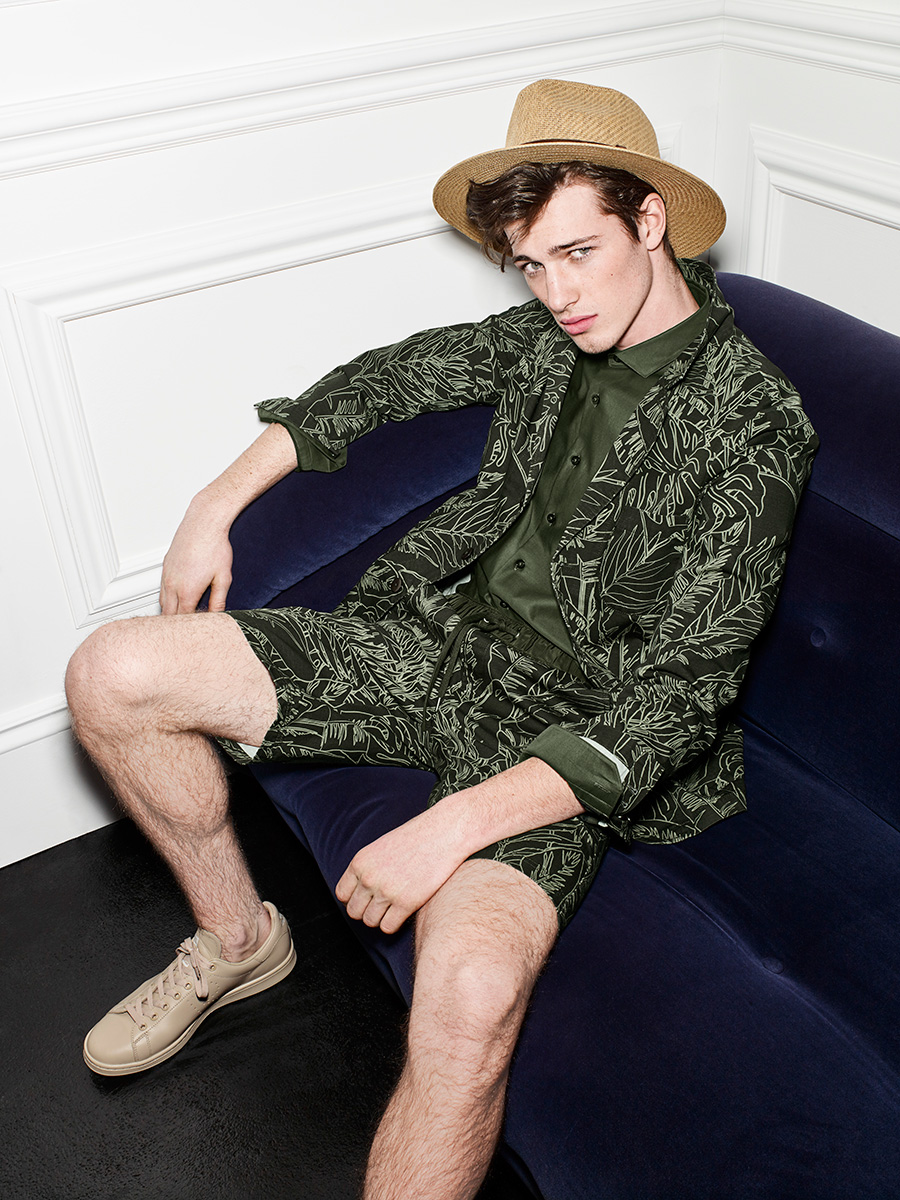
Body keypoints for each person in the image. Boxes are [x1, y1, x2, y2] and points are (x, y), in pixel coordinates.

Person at [67, 79, 817, 1199]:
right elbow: (384, 381)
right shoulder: (543, 335)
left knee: (467, 1002)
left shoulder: (755, 422)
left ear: (651, 221)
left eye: (579, 253)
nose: (557, 294)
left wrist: (448, 829)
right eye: (530, 265)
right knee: (111, 672)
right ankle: (239, 942)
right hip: (434, 641)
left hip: (566, 732)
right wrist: (210, 505)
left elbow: (676, 701)